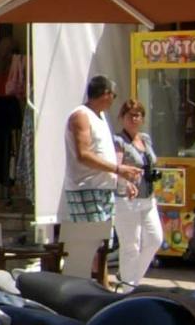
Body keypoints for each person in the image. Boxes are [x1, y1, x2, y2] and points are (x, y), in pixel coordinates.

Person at [65, 74, 141, 224]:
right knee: (92, 241)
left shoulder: (101, 116)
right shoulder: (81, 115)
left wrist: (122, 180)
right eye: (114, 95)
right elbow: (83, 154)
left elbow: (104, 153)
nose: (114, 100)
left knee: (105, 243)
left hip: (104, 189)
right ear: (106, 94)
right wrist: (118, 169)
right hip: (86, 189)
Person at [112, 98, 164, 288]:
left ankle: (130, 279)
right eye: (130, 115)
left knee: (155, 239)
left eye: (138, 115)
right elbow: (117, 166)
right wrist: (125, 182)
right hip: (127, 199)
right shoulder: (119, 140)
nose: (134, 119)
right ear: (122, 118)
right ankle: (128, 287)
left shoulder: (145, 138)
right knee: (130, 246)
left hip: (148, 198)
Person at [0, 26, 25, 201]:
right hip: (8, 105)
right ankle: (9, 178)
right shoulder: (14, 65)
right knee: (12, 144)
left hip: (1, 105)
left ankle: (5, 178)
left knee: (4, 144)